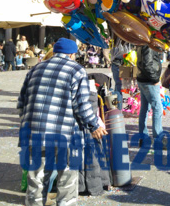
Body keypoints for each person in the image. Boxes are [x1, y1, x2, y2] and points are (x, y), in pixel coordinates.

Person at [18, 38, 107, 206]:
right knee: (66, 176)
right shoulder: (76, 70)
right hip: (64, 135)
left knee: (37, 177)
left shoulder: (35, 69)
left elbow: (22, 102)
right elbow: (81, 105)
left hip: (34, 132)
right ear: (72, 54)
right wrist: (94, 125)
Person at [136, 44, 163, 145]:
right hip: (149, 81)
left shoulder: (143, 44)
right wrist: (155, 78)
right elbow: (147, 64)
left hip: (143, 79)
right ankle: (158, 138)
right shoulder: (148, 45)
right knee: (157, 108)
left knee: (144, 109)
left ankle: (143, 137)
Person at [110, 39, 132, 110]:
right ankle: (131, 106)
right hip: (126, 63)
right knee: (129, 86)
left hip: (117, 63)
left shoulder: (115, 37)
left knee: (118, 85)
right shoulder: (127, 37)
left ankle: (118, 108)